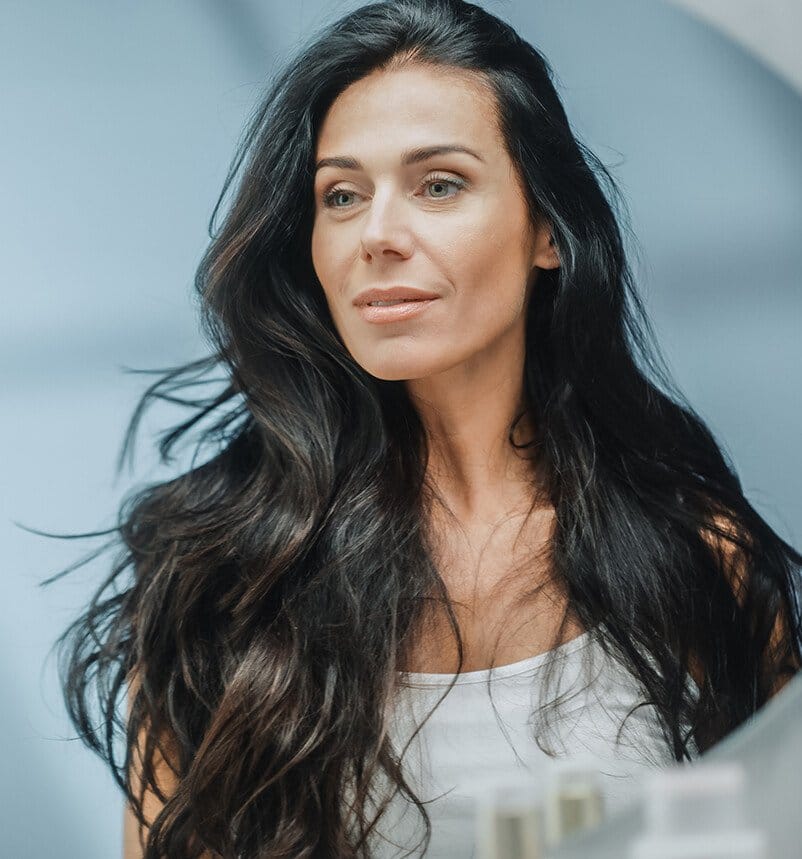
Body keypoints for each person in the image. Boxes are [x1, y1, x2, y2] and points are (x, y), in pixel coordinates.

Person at [47, 0, 802, 856]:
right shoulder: (222, 573)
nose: (376, 235)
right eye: (341, 195)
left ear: (546, 231)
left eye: (439, 184)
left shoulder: (697, 553)